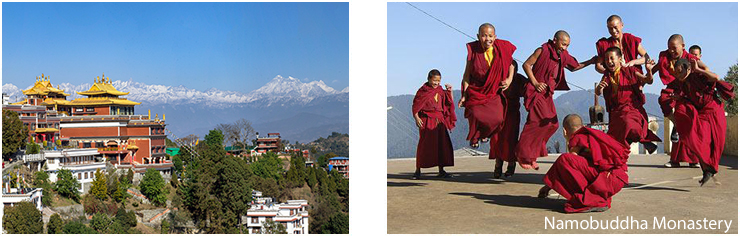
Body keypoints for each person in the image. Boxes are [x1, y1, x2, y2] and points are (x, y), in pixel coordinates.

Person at [516, 30, 598, 171]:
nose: (564, 48)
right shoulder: (542, 50)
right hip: (536, 91)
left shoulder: (563, 55)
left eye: (567, 45)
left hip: (547, 93)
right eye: (563, 44)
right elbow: (526, 65)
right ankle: (522, 154)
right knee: (535, 122)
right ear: (555, 40)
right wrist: (535, 83)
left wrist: (590, 62)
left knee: (552, 124)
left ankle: (532, 154)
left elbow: (574, 67)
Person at [539, 114, 630, 213]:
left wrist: (548, 186)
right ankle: (598, 199)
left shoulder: (577, 138)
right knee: (575, 163)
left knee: (564, 160)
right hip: (616, 178)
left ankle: (591, 201)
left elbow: (571, 161)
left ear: (564, 131)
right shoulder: (592, 134)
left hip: (607, 178)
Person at [665, 57, 733, 186]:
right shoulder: (683, 83)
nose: (678, 76)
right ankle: (707, 169)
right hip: (702, 113)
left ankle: (709, 169)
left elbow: (716, 78)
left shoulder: (699, 75)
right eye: (677, 73)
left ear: (688, 68)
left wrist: (697, 69)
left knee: (717, 142)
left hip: (714, 109)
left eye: (680, 72)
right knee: (698, 139)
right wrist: (679, 97)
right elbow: (689, 98)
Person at [459, 23, 517, 149]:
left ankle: (485, 134)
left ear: (495, 37)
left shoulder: (502, 48)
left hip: (493, 90)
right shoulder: (473, 51)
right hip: (477, 89)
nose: (488, 39)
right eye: (484, 36)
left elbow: (512, 64)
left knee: (498, 119)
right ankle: (475, 136)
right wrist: (464, 95)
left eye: (490, 36)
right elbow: (467, 75)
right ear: (478, 36)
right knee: (474, 113)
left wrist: (509, 79)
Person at [595, 47, 661, 148]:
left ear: (620, 59)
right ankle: (638, 142)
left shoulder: (629, 71)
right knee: (613, 142)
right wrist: (599, 87)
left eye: (612, 58)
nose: (609, 61)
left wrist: (649, 71)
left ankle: (640, 138)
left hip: (632, 109)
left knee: (628, 123)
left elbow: (648, 80)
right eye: (607, 59)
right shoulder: (606, 76)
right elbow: (598, 92)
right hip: (616, 112)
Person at [652, 35, 701, 168]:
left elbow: (705, 70)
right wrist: (647, 75)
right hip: (673, 89)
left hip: (688, 92)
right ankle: (675, 159)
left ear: (683, 46)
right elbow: (655, 69)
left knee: (688, 122)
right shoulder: (665, 57)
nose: (671, 52)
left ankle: (693, 160)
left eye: (674, 48)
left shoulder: (690, 58)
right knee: (666, 103)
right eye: (669, 49)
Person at [412, 69, 456, 179]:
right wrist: (417, 118)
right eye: (434, 80)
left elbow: (449, 103)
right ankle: (418, 170)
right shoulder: (423, 91)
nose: (436, 83)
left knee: (442, 145)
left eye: (438, 81)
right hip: (426, 120)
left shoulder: (441, 90)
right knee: (424, 145)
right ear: (429, 79)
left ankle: (441, 170)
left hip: (440, 121)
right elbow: (416, 106)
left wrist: (450, 91)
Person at [489, 60, 526, 178]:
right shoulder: (499, 78)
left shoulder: (519, 79)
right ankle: (498, 165)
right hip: (498, 113)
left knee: (511, 139)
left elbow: (529, 89)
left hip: (513, 114)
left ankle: (511, 165)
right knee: (497, 139)